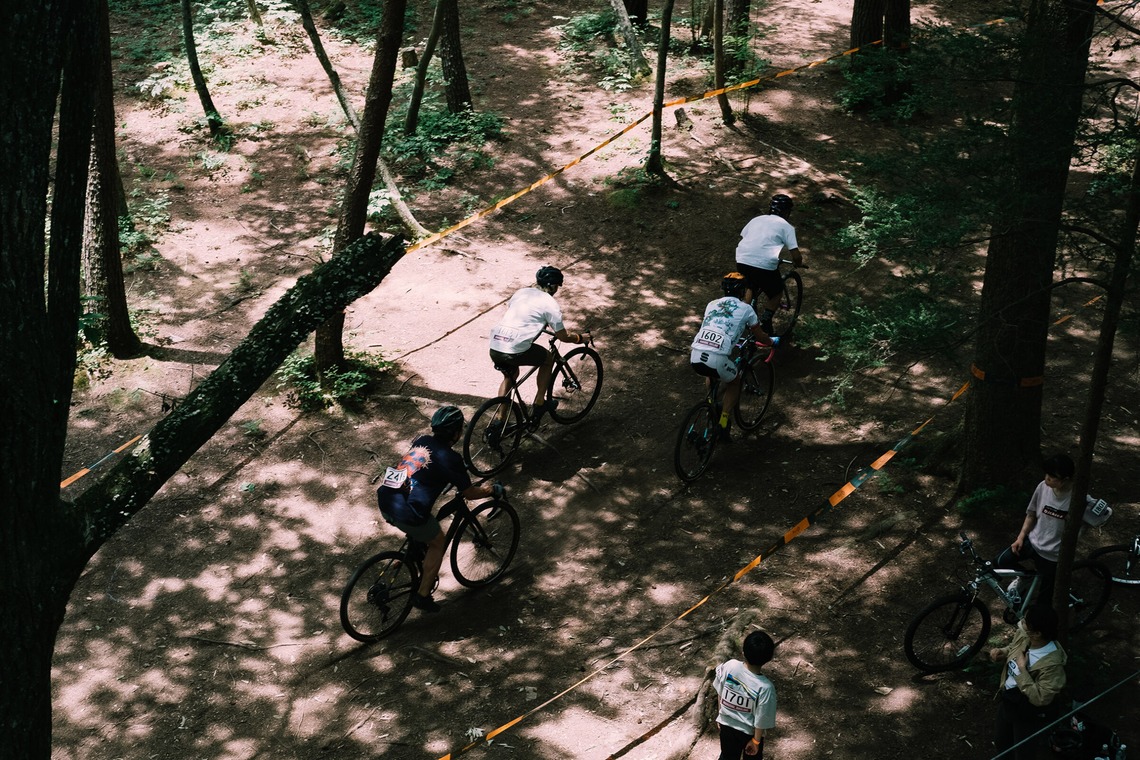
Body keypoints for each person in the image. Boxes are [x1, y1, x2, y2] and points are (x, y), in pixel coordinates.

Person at [376, 406, 501, 613]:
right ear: (456, 433)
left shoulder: (421, 440)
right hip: (408, 513)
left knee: (422, 518)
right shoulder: (451, 459)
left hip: (386, 498)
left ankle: (412, 552)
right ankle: (422, 596)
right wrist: (490, 490)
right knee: (437, 542)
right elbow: (469, 493)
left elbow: (425, 468)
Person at [994, 454, 1112, 606]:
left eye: (1052, 476)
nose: (1047, 478)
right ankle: (1026, 578)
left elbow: (1106, 514)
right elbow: (1031, 514)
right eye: (1047, 474)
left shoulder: (1079, 500)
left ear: (1067, 479)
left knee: (1044, 601)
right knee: (999, 562)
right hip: (1032, 541)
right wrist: (1021, 537)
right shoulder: (1043, 487)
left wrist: (1092, 507)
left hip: (1053, 556)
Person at [488, 265, 591, 424]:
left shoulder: (521, 292)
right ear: (552, 286)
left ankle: (500, 420)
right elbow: (563, 336)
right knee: (548, 359)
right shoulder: (550, 303)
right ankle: (539, 402)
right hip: (514, 348)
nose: (557, 289)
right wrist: (579, 338)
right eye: (557, 286)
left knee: (510, 376)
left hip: (495, 345)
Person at [690, 273, 776, 442]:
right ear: (743, 291)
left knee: (711, 373)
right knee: (734, 381)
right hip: (717, 359)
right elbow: (759, 336)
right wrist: (771, 342)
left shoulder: (711, 304)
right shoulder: (747, 309)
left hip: (696, 354)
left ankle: (710, 403)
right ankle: (723, 421)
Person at [988, 605, 1066, 760]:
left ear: (1037, 633)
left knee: (1023, 752)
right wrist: (1003, 653)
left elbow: (1041, 697)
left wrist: (1022, 671)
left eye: (1025, 622)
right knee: (1001, 741)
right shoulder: (1025, 636)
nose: (1022, 622)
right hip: (1009, 700)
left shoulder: (1052, 666)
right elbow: (1013, 647)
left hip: (1026, 712)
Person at [735, 193, 806, 335]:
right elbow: (796, 255)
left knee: (751, 285)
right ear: (787, 212)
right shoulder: (787, 227)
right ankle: (765, 322)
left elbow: (745, 236)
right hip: (764, 264)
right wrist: (798, 263)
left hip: (742, 259)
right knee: (776, 292)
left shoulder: (756, 220)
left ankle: (739, 319)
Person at [713, 630, 778, 760]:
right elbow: (761, 718)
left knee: (727, 756)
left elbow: (720, 692)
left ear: (743, 652)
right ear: (768, 658)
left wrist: (720, 714)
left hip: (726, 726)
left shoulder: (730, 666)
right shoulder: (765, 687)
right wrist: (756, 741)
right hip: (749, 733)